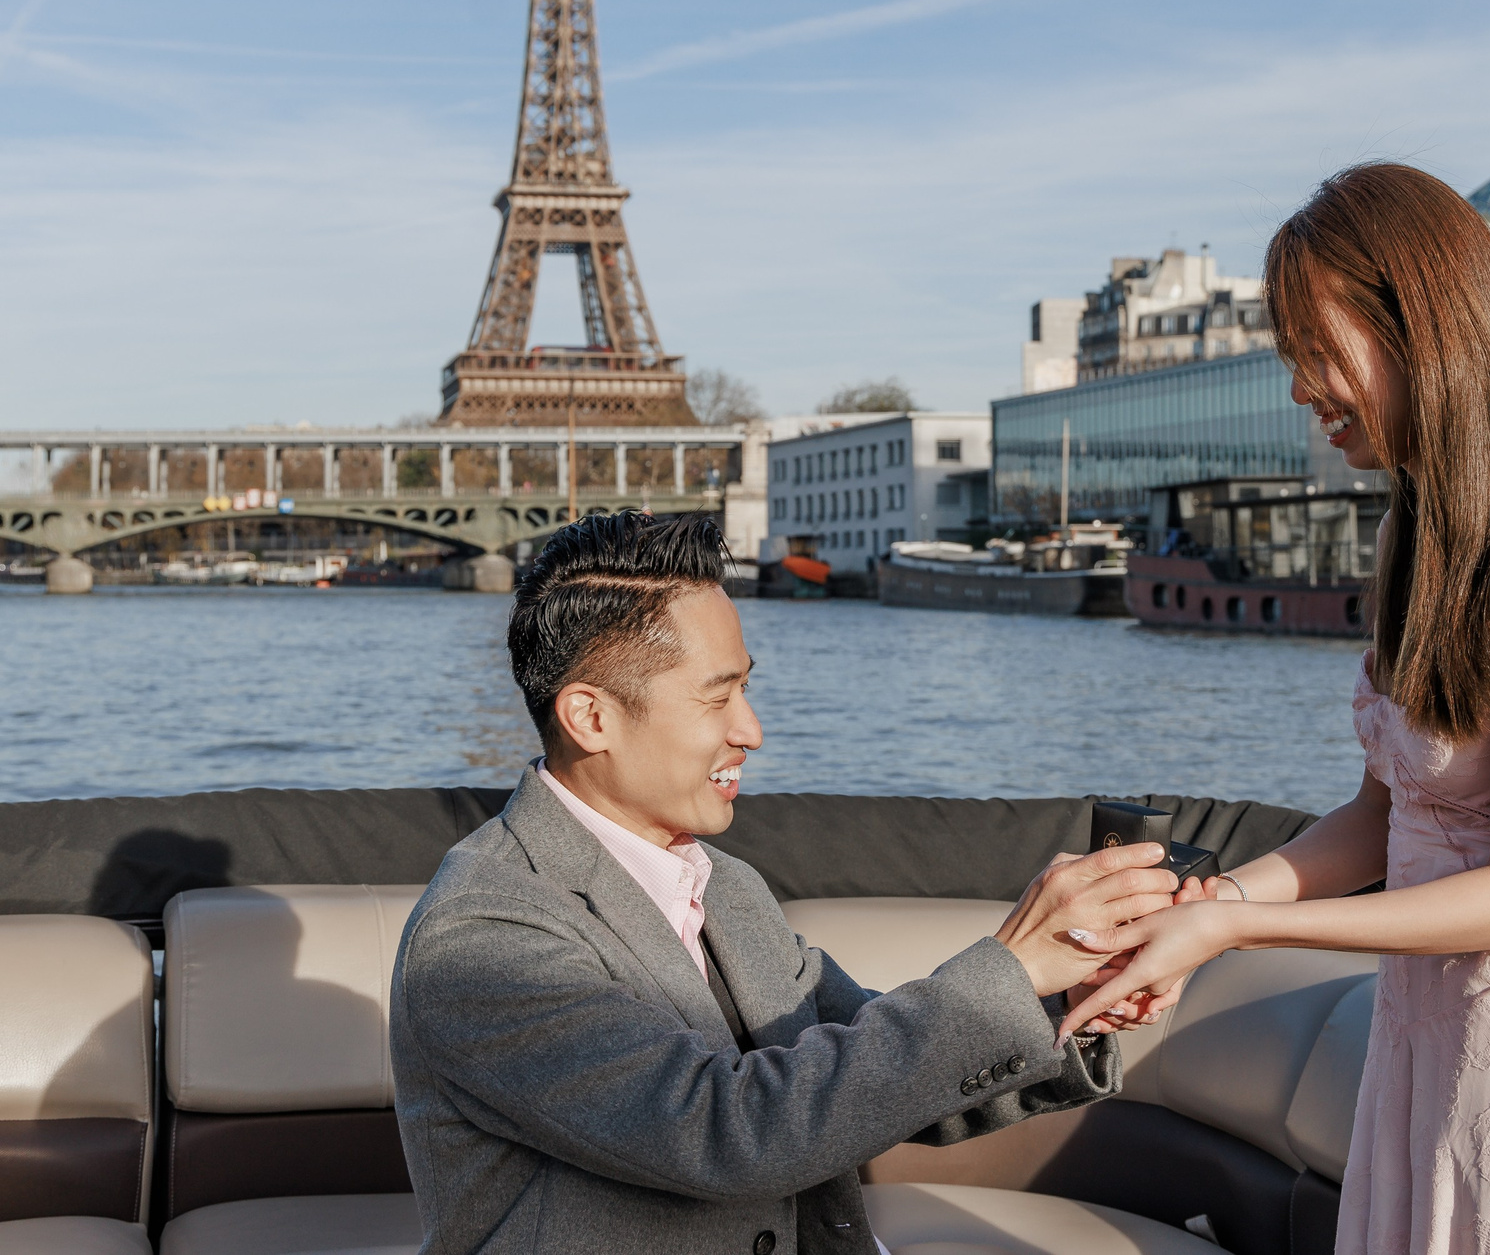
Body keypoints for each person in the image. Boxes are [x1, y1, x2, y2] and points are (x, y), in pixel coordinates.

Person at [1064, 163, 1490, 1252]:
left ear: (1419, 325)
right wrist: (1203, 903)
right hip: (1434, 1033)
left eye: (1314, 352)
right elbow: (1387, 820)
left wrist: (1234, 924)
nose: (1299, 390)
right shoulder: (1411, 535)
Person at [388, 511, 1174, 1255]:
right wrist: (1013, 965)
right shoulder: (484, 932)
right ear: (591, 718)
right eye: (717, 695)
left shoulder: (722, 885)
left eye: (747, 687)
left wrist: (1075, 998)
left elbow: (877, 1073)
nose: (751, 728)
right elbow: (729, 1133)